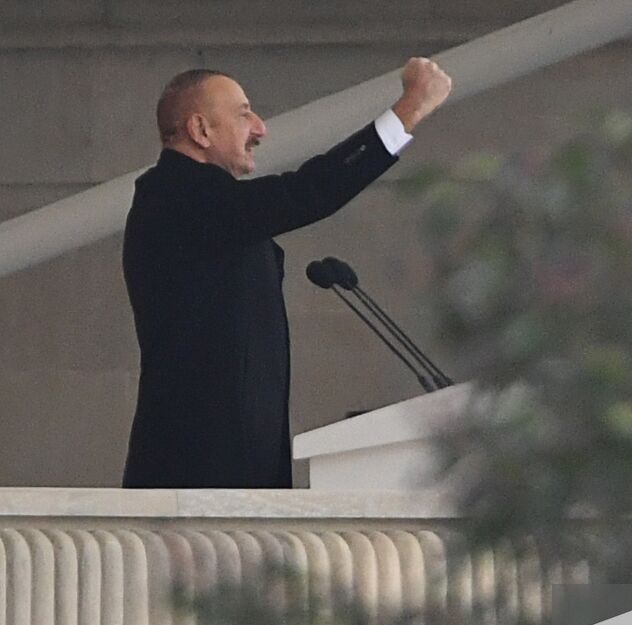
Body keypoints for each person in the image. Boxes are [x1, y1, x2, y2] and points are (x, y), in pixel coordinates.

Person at [122, 59, 452, 489]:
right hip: (196, 479)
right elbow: (306, 191)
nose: (260, 127)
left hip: (233, 479)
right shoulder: (173, 195)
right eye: (243, 113)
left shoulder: (213, 209)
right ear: (200, 130)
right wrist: (407, 111)